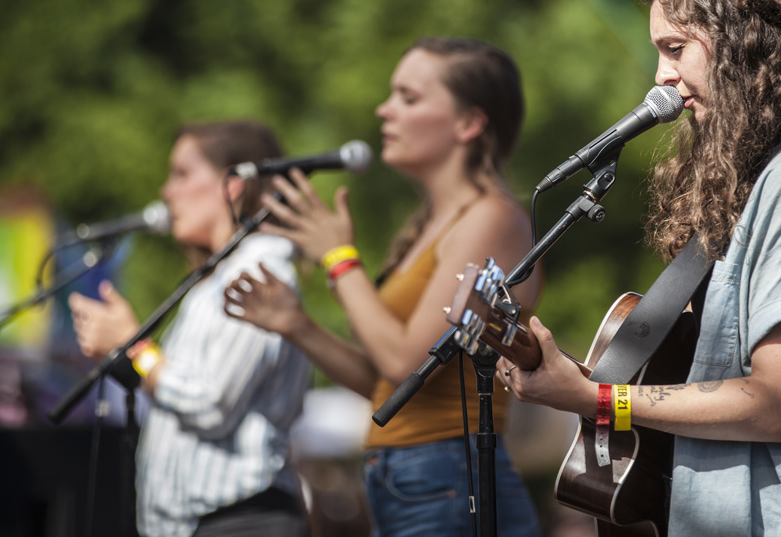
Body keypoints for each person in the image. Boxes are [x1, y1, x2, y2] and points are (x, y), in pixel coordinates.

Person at [497, 0, 781, 536]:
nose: (660, 75)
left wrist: (600, 400)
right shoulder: (768, 179)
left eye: (675, 48)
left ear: (741, 42)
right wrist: (578, 383)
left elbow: (777, 404)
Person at [223, 37, 543, 536]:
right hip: (409, 479)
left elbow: (403, 362)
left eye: (408, 98)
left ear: (469, 124)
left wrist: (339, 258)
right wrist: (297, 324)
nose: (384, 109)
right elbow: (385, 383)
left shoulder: (492, 218)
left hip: (449, 480)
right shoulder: (428, 226)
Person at [69, 121, 312, 537]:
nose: (167, 192)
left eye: (182, 174)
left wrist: (137, 348)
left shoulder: (259, 272)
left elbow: (210, 405)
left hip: (242, 521)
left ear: (232, 184)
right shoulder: (215, 279)